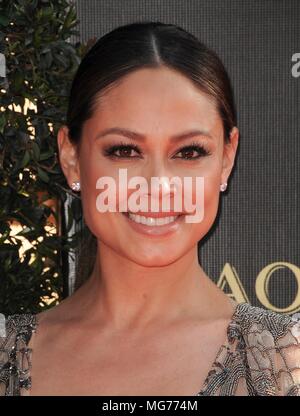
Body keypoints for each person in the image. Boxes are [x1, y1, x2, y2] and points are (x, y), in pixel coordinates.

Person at [1, 21, 300, 397]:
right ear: (71, 157)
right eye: (124, 151)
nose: (158, 185)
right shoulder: (6, 357)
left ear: (226, 158)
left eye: (189, 152)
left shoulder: (286, 363)